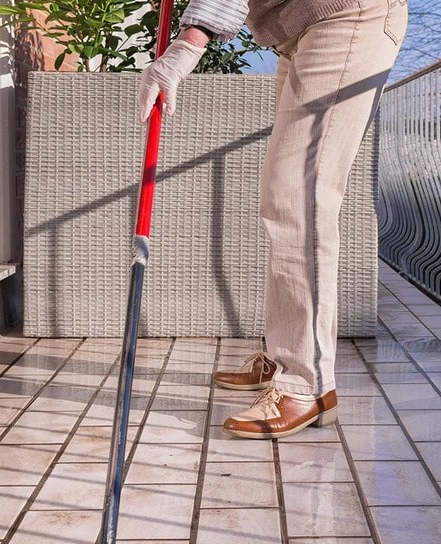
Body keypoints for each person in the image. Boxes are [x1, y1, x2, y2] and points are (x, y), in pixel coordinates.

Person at [137, 0, 407, 439]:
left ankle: (307, 384)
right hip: (294, 31)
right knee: (285, 199)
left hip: (347, 15)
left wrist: (188, 45)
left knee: (299, 197)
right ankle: (284, 353)